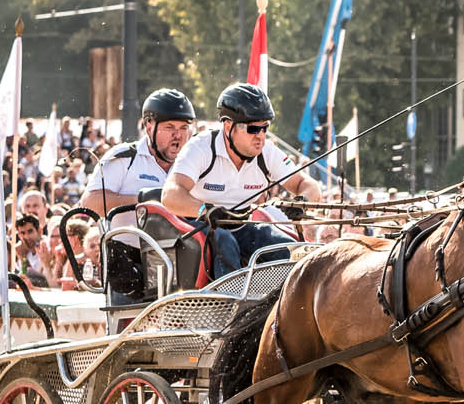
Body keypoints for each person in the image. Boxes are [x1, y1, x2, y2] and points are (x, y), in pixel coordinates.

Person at [162, 82, 325, 276]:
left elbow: (307, 184)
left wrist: (303, 201)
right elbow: (170, 194)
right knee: (224, 241)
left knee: (290, 252)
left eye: (265, 128)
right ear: (228, 126)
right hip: (199, 226)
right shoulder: (201, 148)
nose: (261, 137)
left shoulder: (267, 152)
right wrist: (204, 210)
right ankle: (230, 304)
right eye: (253, 129)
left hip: (243, 225)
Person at [82, 88, 198, 216]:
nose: (178, 135)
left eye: (183, 128)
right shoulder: (125, 157)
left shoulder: (196, 163)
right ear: (149, 128)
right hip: (126, 236)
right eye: (169, 127)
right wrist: (143, 199)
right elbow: (89, 204)